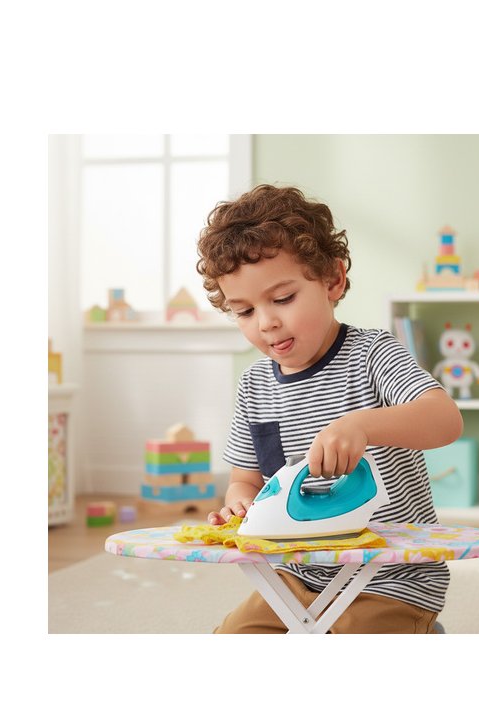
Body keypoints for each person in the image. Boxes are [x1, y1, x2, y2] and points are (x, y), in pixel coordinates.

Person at [195, 184, 463, 633]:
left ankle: (419, 629)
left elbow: (445, 420)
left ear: (332, 280)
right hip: (292, 576)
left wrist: (362, 426)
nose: (266, 323)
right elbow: (245, 480)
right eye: (244, 312)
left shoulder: (373, 354)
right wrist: (240, 505)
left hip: (389, 577)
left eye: (283, 299)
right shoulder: (254, 385)